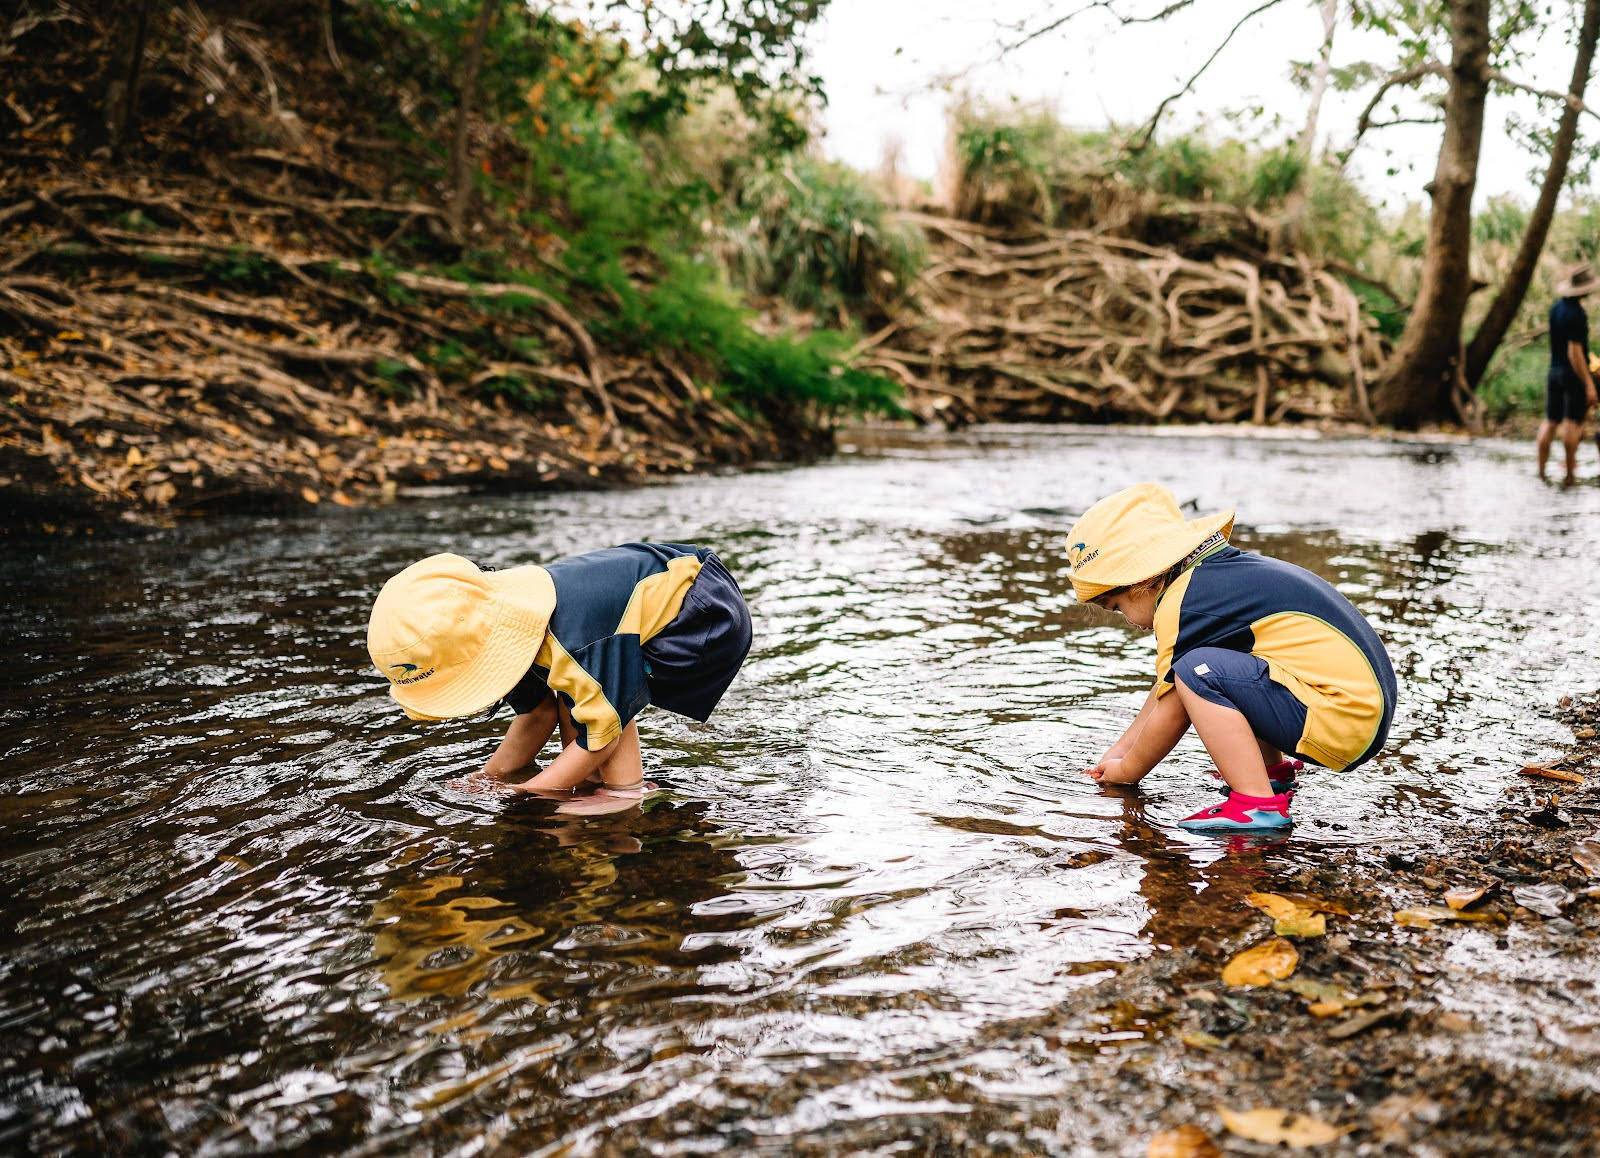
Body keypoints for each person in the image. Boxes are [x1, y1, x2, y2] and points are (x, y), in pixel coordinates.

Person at [1070, 483, 1396, 833]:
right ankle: (1269, 777)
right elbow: (1165, 689)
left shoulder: (1183, 602)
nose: (1131, 622)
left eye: (1118, 608)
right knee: (1217, 664)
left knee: (1199, 671)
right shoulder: (1213, 580)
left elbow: (1173, 703)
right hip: (1356, 714)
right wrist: (1119, 749)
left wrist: (1127, 770)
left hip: (1342, 719)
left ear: (1141, 580)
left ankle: (1256, 803)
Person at [366, 543, 752, 813]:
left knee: (600, 699)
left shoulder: (575, 640)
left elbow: (604, 727)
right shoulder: (504, 631)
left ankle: (625, 794)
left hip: (702, 611)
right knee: (582, 691)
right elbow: (537, 715)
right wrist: (489, 777)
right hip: (645, 601)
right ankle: (588, 781)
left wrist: (528, 794)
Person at [1538, 262, 1600, 485]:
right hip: (1572, 374)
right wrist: (1589, 384)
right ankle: (1570, 475)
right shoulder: (1577, 314)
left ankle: (1541, 471)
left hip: (1553, 371)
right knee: (1572, 423)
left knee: (1550, 421)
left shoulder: (1556, 308)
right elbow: (1574, 353)